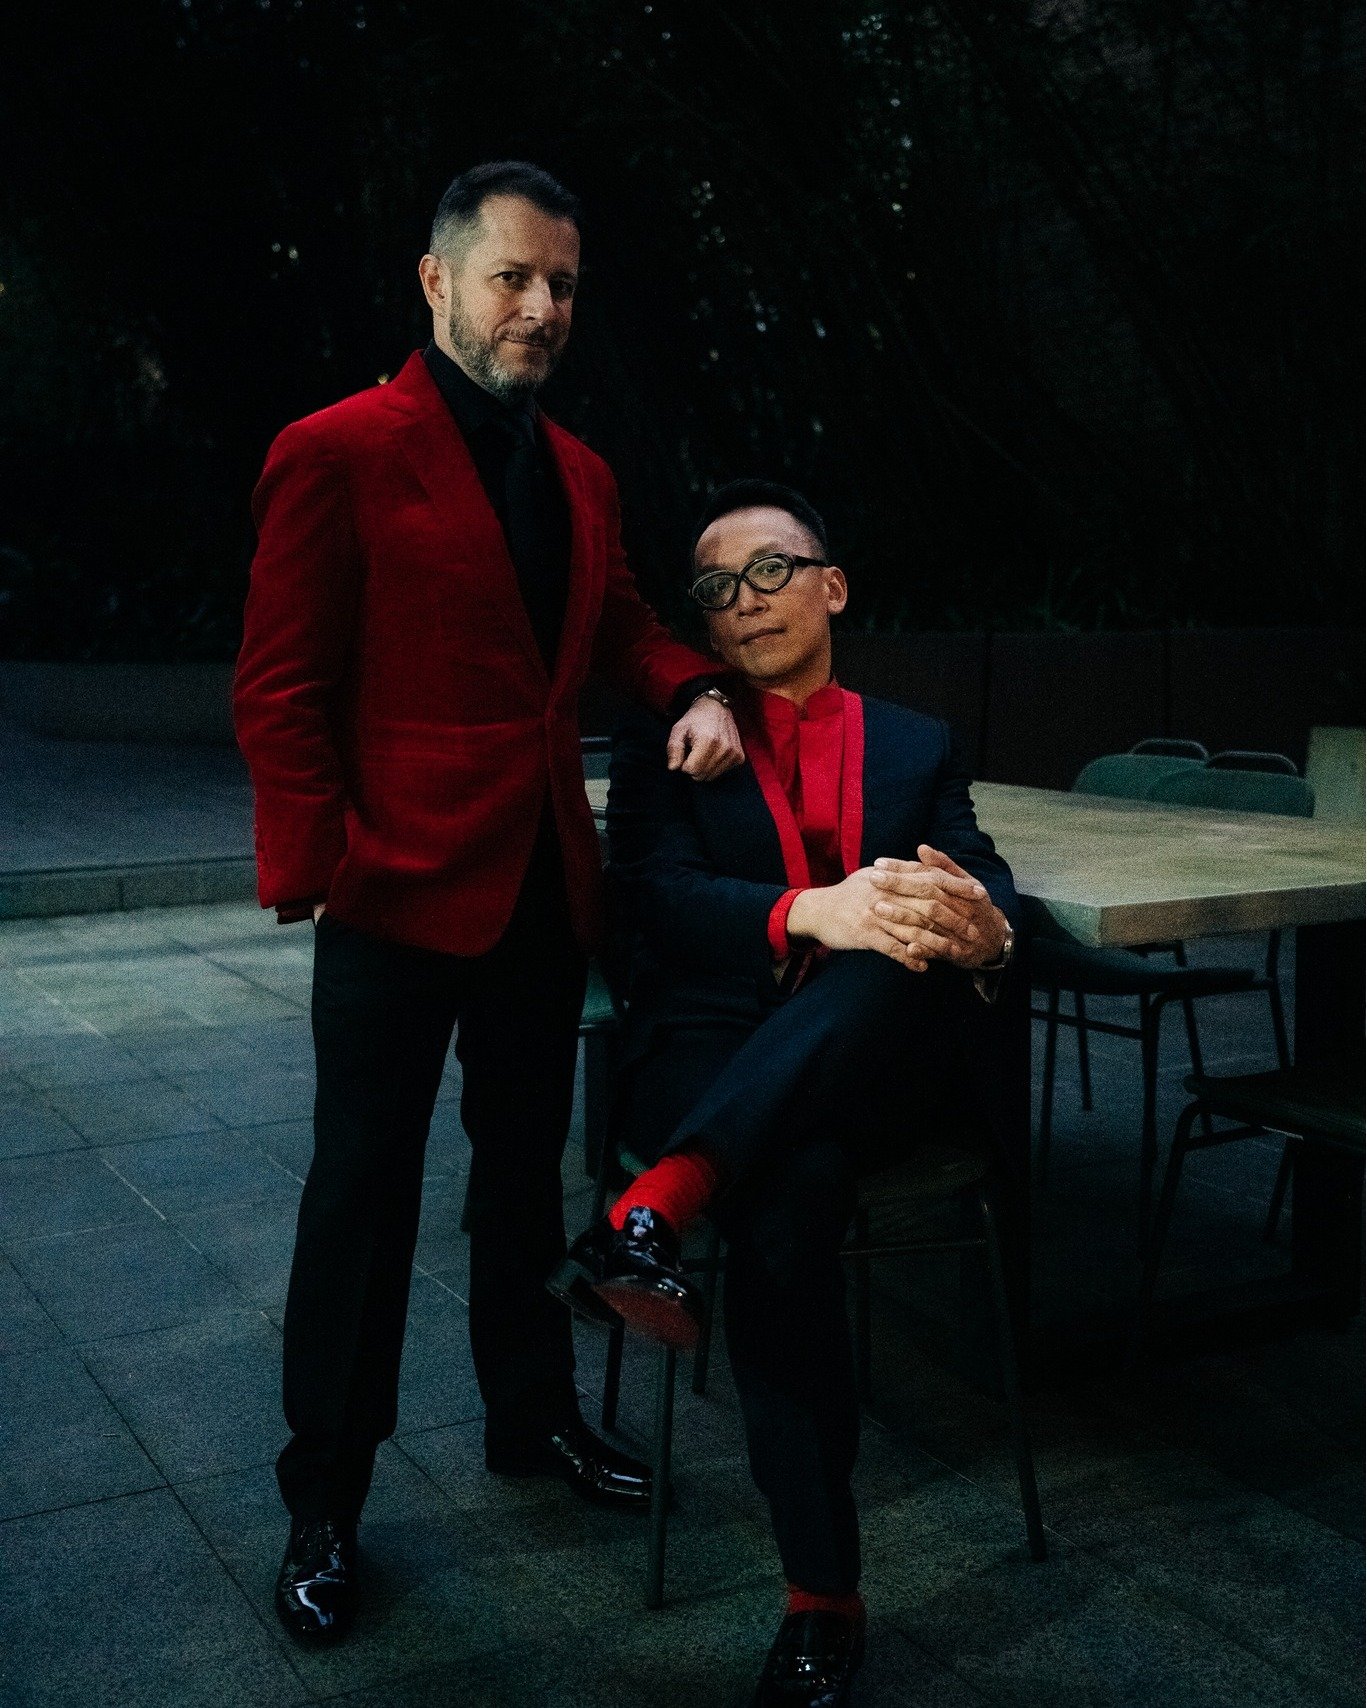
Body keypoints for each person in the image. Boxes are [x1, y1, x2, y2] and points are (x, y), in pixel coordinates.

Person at [232, 160, 743, 1645]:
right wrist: (322, 863)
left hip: (536, 885)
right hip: (391, 889)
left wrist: (695, 687)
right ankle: (326, 1500)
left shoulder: (578, 470)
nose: (539, 306)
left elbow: (623, 626)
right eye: (512, 276)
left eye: (560, 284)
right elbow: (277, 684)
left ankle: (533, 1422)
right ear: (437, 281)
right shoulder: (335, 449)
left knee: (523, 1182)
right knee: (361, 1198)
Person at [551, 479, 1021, 1708]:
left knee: (898, 935)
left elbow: (977, 872)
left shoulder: (915, 740)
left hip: (873, 1060)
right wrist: (804, 909)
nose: (744, 600)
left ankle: (655, 1203)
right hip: (709, 1045)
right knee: (784, 1202)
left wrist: (987, 928)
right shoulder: (673, 739)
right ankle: (822, 1595)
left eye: (770, 570)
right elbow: (650, 901)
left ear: (833, 586)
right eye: (715, 588)